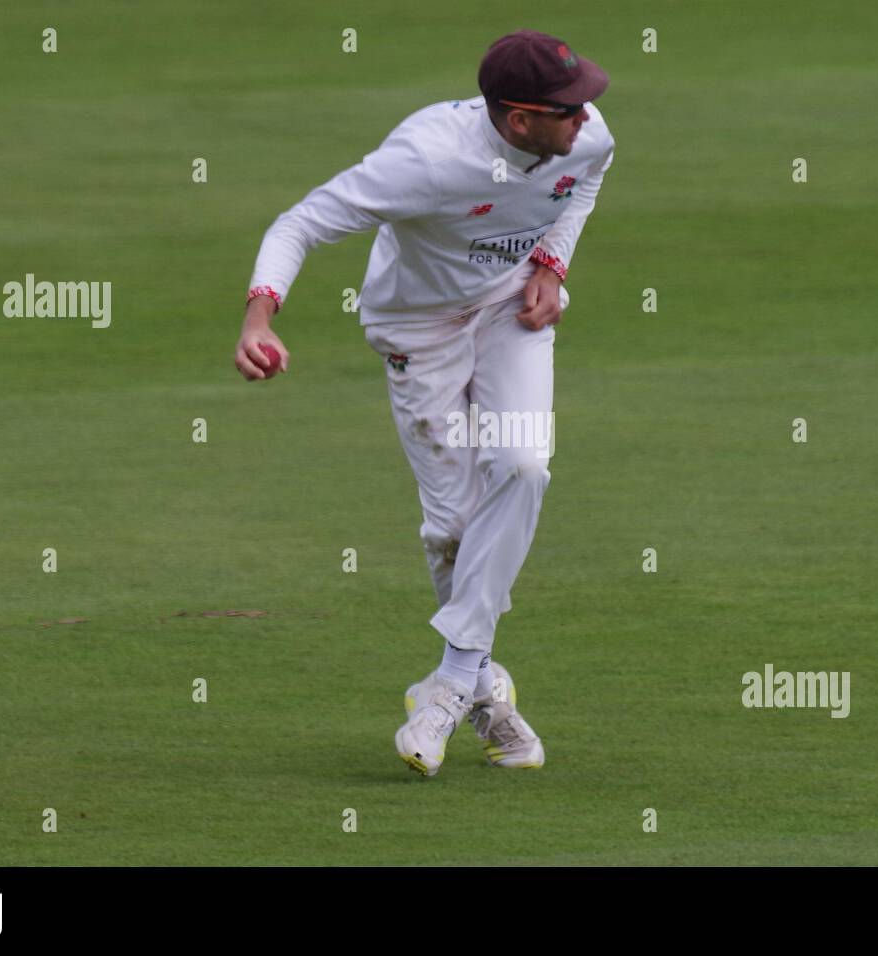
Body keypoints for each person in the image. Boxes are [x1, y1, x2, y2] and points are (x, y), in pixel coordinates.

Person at [235, 29, 615, 777]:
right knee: (451, 527)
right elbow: (302, 221)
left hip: (510, 312)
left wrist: (550, 263)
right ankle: (486, 692)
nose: (587, 119)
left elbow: (584, 183)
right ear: (518, 120)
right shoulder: (426, 161)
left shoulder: (587, 136)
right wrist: (259, 314)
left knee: (525, 465)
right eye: (568, 110)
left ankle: (449, 683)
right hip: (418, 328)